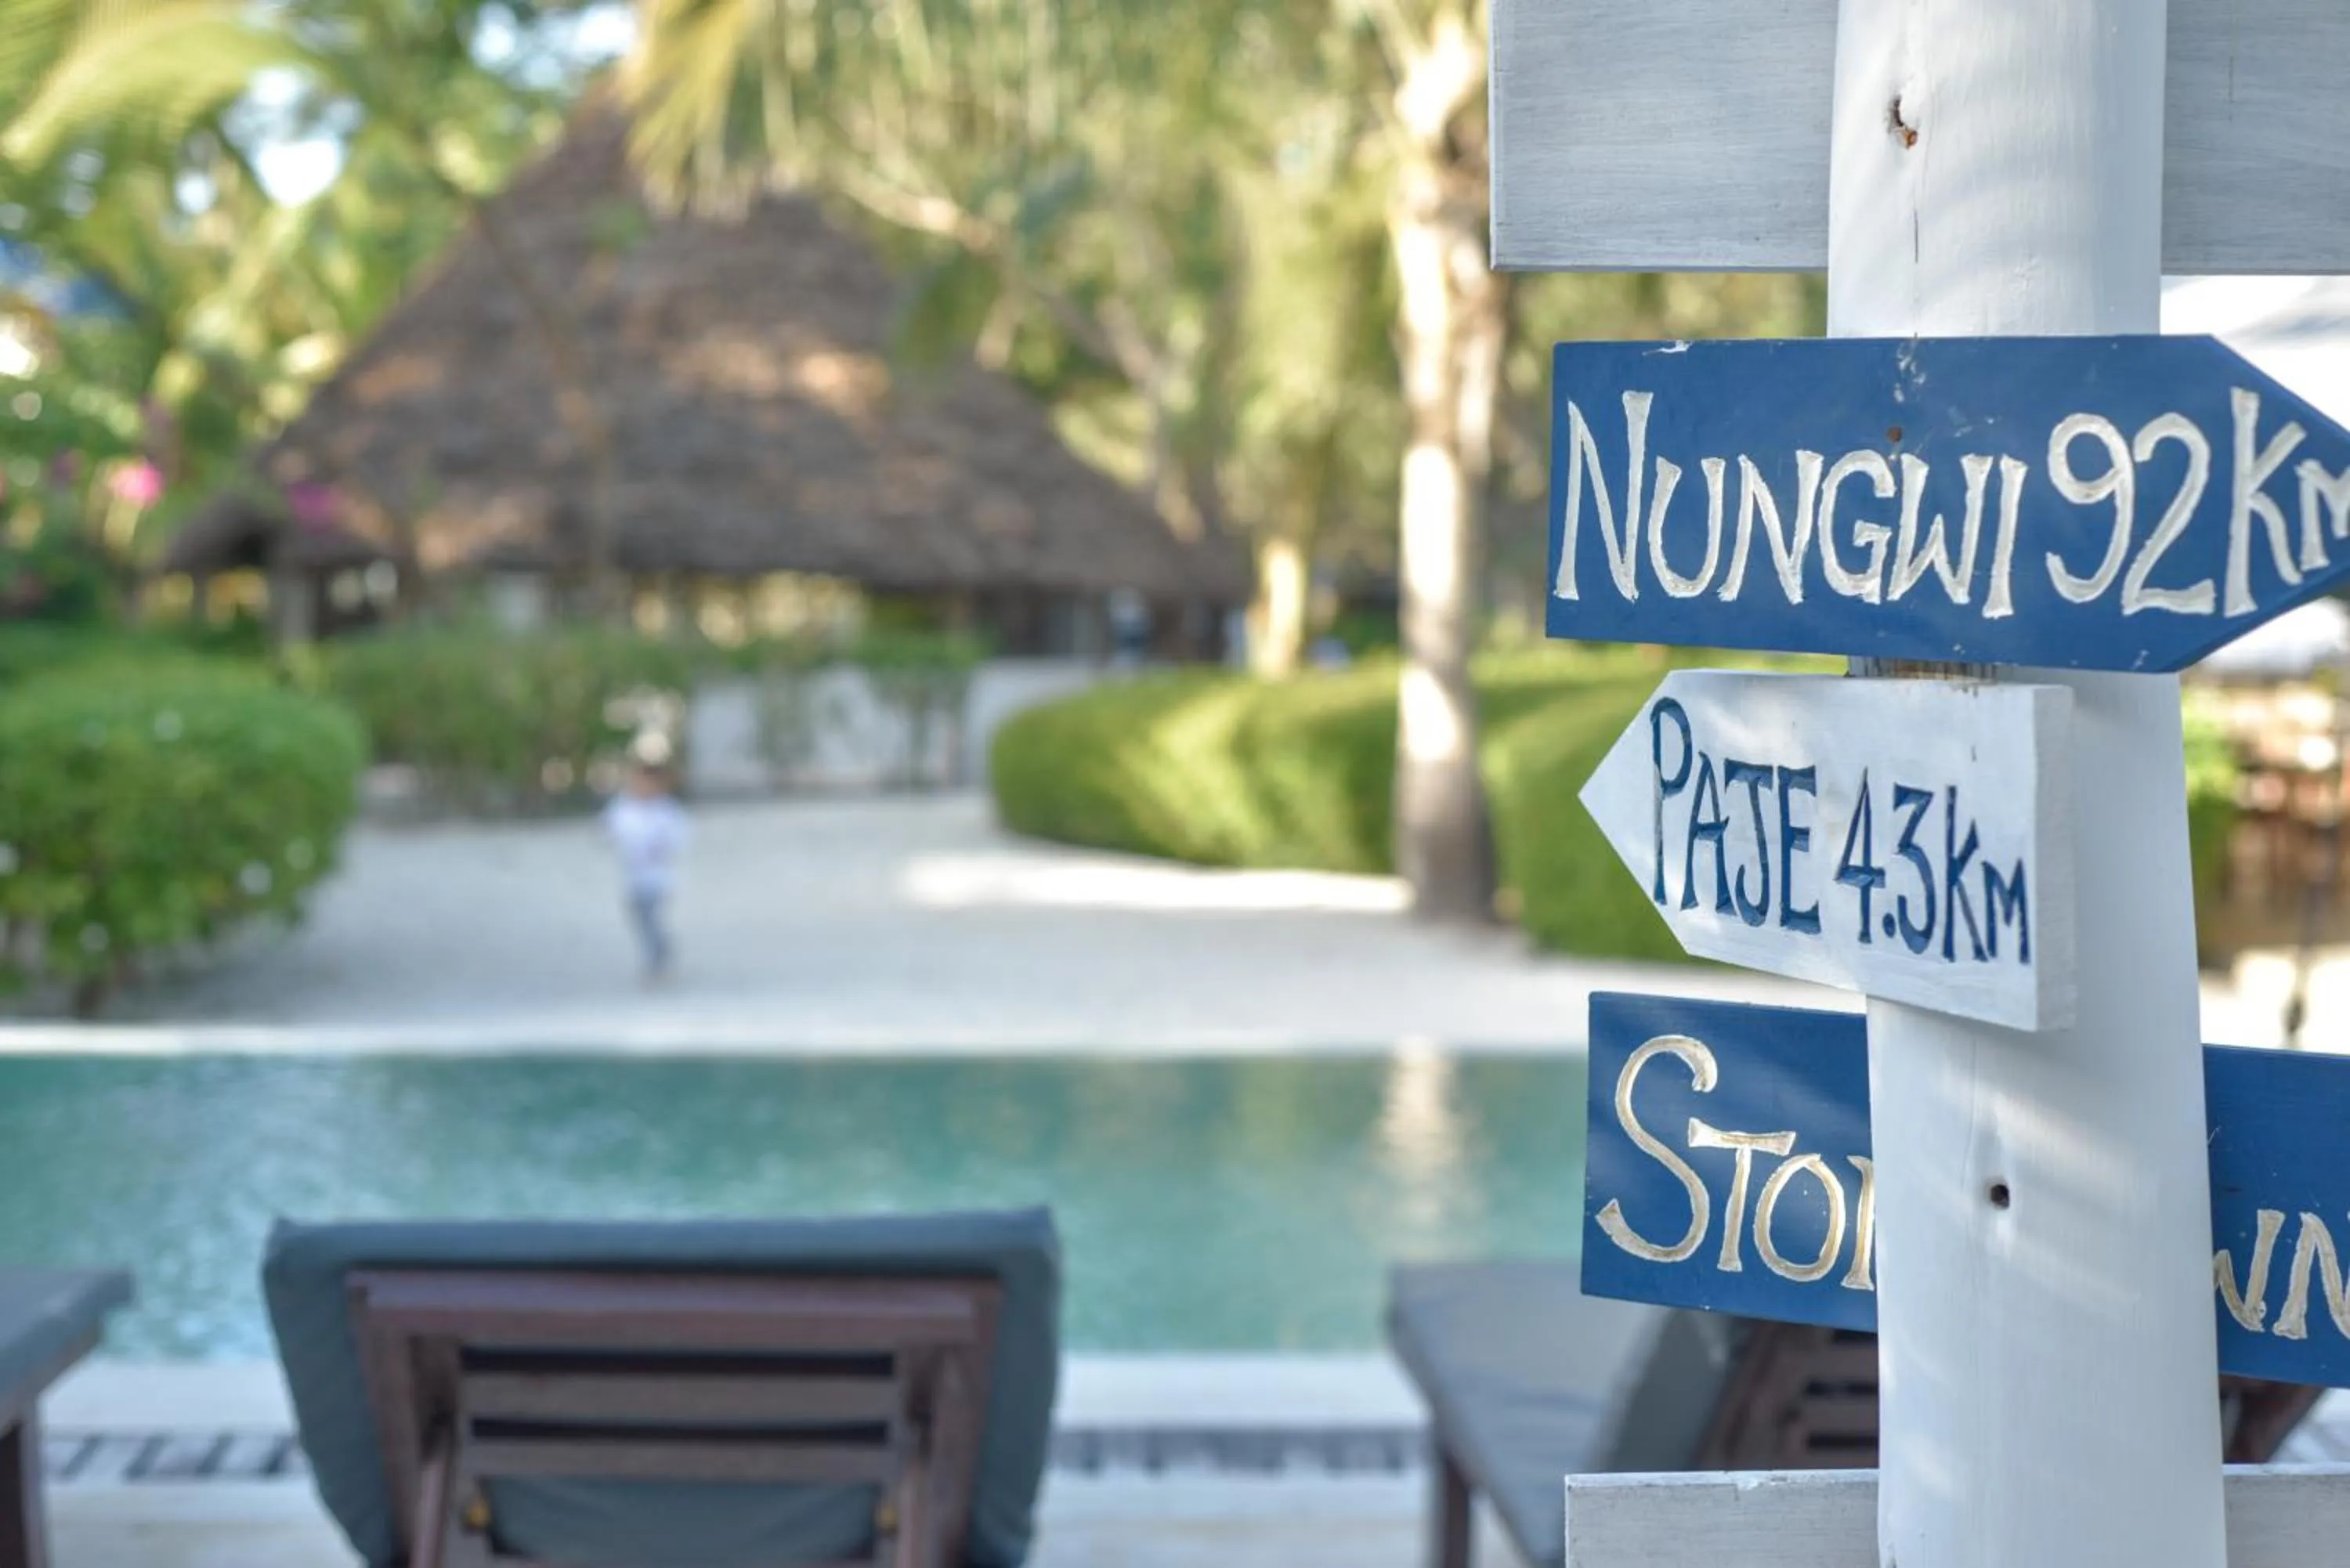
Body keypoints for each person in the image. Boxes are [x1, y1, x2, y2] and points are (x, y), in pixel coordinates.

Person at [604, 751, 690, 982]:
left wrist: (660, 848)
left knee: (650, 916)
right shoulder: (624, 808)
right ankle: (659, 950)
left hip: (657, 877)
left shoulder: (666, 811)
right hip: (633, 876)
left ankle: (655, 959)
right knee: (638, 917)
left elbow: (679, 839)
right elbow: (610, 830)